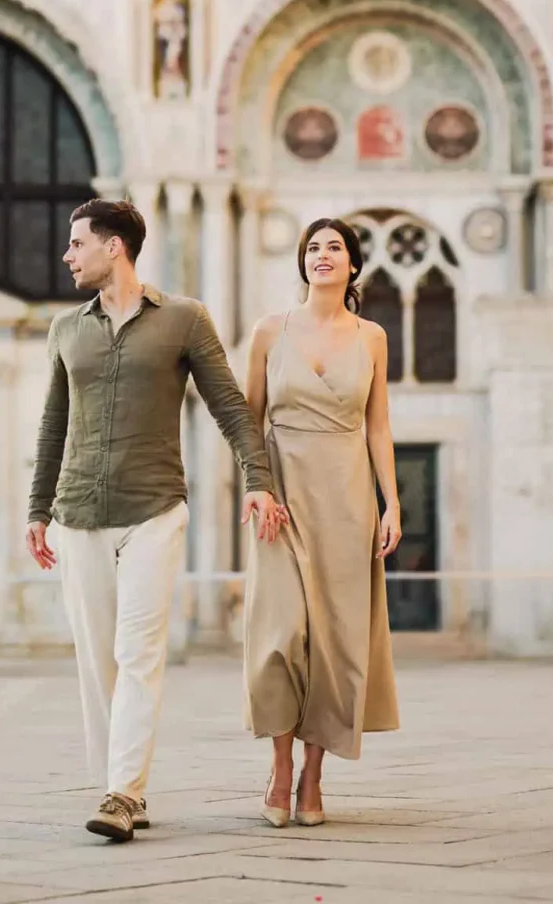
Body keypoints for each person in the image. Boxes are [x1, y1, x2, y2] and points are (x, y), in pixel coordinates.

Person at [26, 199, 284, 844]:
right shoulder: (65, 329)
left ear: (114, 248)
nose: (67, 255)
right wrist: (36, 509)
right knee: (97, 661)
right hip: (78, 512)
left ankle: (121, 793)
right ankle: (118, 783)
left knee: (138, 652)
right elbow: (53, 424)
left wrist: (258, 481)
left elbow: (229, 405)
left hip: (156, 510)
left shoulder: (184, 320)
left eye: (77, 243)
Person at [244, 217, 401, 827]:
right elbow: (247, 422)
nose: (322, 256)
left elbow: (379, 426)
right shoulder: (267, 331)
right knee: (281, 635)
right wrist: (256, 488)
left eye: (334, 247)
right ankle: (279, 769)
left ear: (353, 265)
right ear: (303, 264)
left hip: (347, 496)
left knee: (335, 642)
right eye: (313, 248)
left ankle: (312, 776)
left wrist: (391, 503)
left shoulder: (373, 337)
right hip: (281, 499)